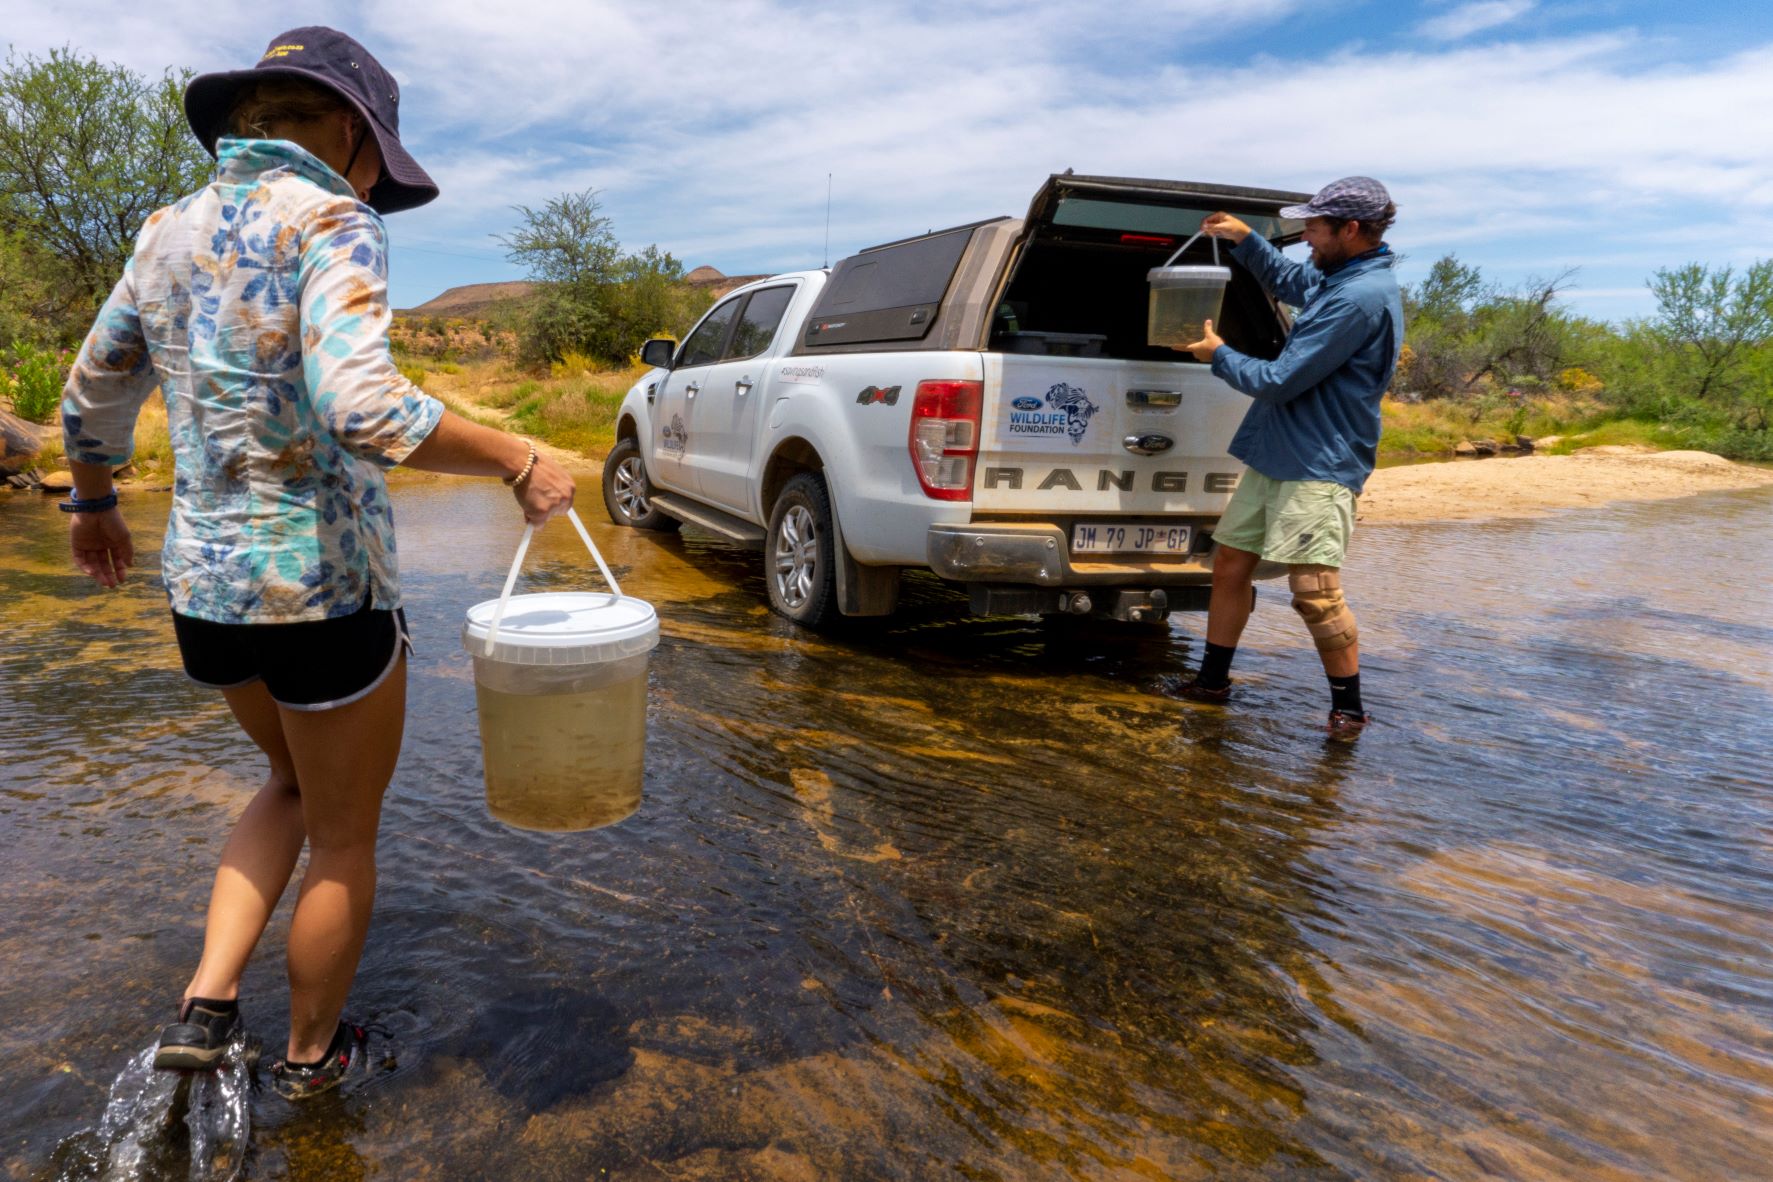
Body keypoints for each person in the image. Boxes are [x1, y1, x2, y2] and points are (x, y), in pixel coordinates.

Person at [60, 27, 575, 1098]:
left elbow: (94, 389)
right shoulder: (333, 215)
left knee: (287, 779)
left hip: (203, 590)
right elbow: (363, 407)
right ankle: (311, 1061)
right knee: (343, 836)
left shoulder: (163, 232)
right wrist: (517, 455)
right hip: (324, 591)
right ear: (349, 131)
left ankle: (207, 1001)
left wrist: (97, 503)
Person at [1171, 177, 1403, 740]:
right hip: (1278, 452)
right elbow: (1293, 279)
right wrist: (1245, 238)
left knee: (1316, 593)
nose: (1306, 237)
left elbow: (1278, 380)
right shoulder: (1340, 277)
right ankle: (1212, 683)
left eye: (1315, 228)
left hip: (1320, 461)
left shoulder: (1358, 298)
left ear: (1350, 230)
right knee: (1229, 564)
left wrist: (1218, 353)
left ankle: (1349, 711)